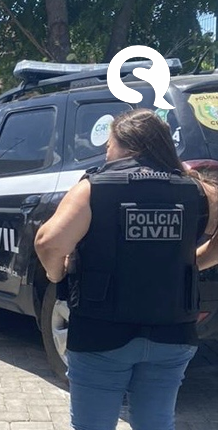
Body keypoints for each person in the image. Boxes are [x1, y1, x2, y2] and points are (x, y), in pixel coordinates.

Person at [34, 109, 218, 430]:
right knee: (156, 423)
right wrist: (195, 262)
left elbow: (49, 243)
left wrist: (56, 274)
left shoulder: (95, 188)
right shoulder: (197, 190)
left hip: (101, 331)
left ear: (124, 146)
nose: (106, 153)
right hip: (172, 331)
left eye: (108, 145)